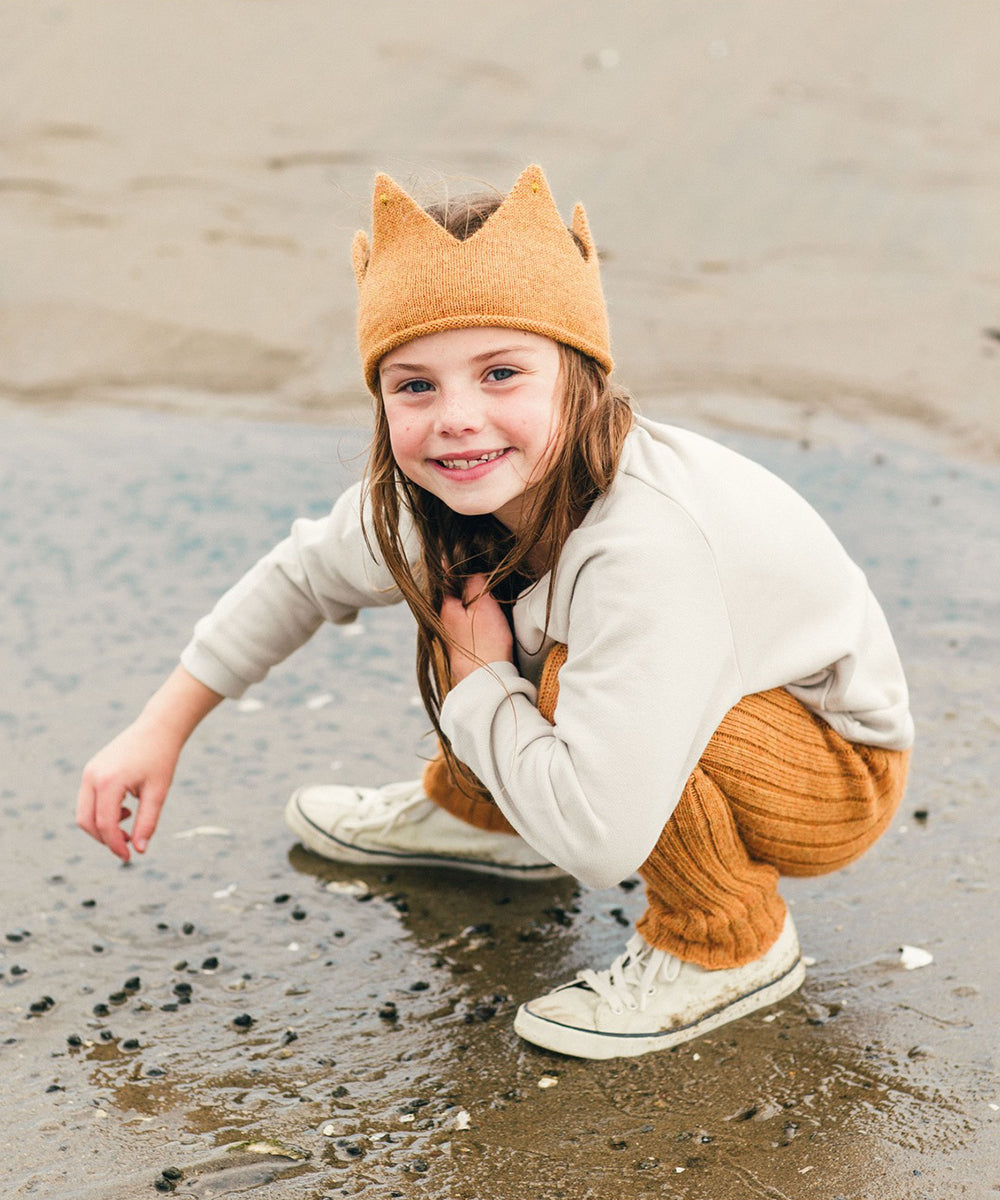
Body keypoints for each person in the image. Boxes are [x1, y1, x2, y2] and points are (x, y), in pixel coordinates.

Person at [77, 165, 913, 1060]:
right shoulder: (436, 493)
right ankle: (487, 819)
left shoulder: (650, 548)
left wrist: (478, 684)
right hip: (663, 724)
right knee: (458, 584)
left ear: (579, 376)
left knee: (538, 661)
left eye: (502, 372)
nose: (457, 419)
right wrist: (158, 729)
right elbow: (300, 578)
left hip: (824, 769)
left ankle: (726, 940)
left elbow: (600, 842)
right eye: (415, 385)